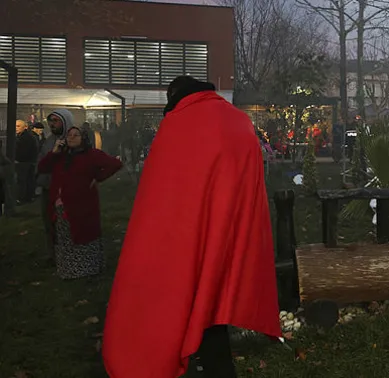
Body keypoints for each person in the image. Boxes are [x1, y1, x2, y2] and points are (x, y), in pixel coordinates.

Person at [103, 76, 282, 378]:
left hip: (181, 238)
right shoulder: (239, 121)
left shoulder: (177, 123)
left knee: (182, 300)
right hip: (230, 234)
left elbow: (160, 194)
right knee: (214, 309)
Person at [37, 126, 122, 279]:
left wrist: (98, 177)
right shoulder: (61, 156)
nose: (72, 138)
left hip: (83, 203)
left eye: (76, 135)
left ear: (83, 138)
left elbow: (115, 164)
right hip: (61, 203)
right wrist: (53, 152)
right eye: (69, 135)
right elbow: (42, 167)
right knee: (65, 235)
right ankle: (68, 269)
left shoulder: (91, 155)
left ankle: (87, 268)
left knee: (83, 233)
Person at [38, 110, 71, 260]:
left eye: (56, 120)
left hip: (66, 190)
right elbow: (41, 161)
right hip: (48, 187)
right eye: (50, 121)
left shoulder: (73, 140)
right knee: (49, 222)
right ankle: (52, 253)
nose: (52, 124)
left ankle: (67, 254)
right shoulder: (49, 140)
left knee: (66, 223)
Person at [15, 120, 39, 203]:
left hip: (24, 162)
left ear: (25, 127)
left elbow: (24, 152)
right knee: (27, 180)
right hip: (28, 162)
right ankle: (27, 197)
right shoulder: (25, 136)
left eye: (18, 126)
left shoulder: (26, 138)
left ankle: (22, 198)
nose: (16, 128)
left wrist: (16, 159)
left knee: (22, 181)